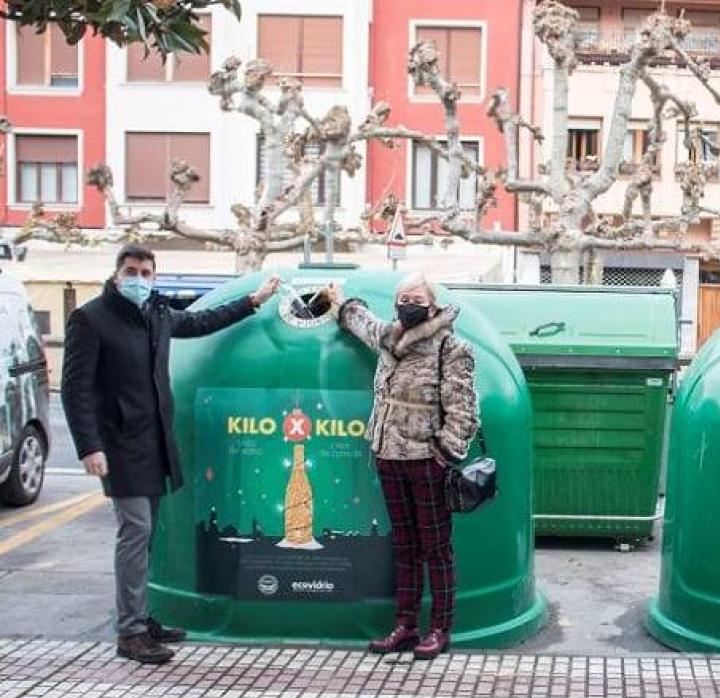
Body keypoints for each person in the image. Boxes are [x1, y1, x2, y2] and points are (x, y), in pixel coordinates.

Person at [62, 244, 280, 665]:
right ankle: (130, 633)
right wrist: (90, 446)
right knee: (135, 533)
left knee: (148, 536)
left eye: (146, 272)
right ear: (116, 273)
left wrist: (253, 301)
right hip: (119, 445)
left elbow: (201, 321)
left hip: (155, 443)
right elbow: (75, 389)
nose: (139, 279)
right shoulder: (91, 319)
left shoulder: (156, 315)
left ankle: (142, 617)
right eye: (131, 271)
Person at [327, 274, 479, 660]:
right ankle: (405, 626)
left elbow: (464, 410)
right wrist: (340, 302)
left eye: (415, 298)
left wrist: (444, 451)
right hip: (388, 455)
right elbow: (361, 321)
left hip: (426, 461)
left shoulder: (451, 347)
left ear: (432, 305)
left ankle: (440, 629)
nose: (407, 304)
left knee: (436, 548)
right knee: (405, 547)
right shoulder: (389, 337)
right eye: (402, 299)